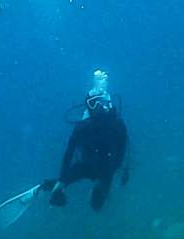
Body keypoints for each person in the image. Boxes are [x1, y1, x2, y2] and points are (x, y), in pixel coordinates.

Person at [40, 70, 129, 211]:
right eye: (93, 103)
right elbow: (69, 153)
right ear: (88, 106)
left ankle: (56, 185)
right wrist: (62, 180)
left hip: (101, 167)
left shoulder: (115, 124)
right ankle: (55, 186)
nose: (98, 107)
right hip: (91, 165)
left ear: (109, 104)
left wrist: (119, 170)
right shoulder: (85, 126)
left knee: (96, 205)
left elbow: (123, 151)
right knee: (67, 187)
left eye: (101, 103)